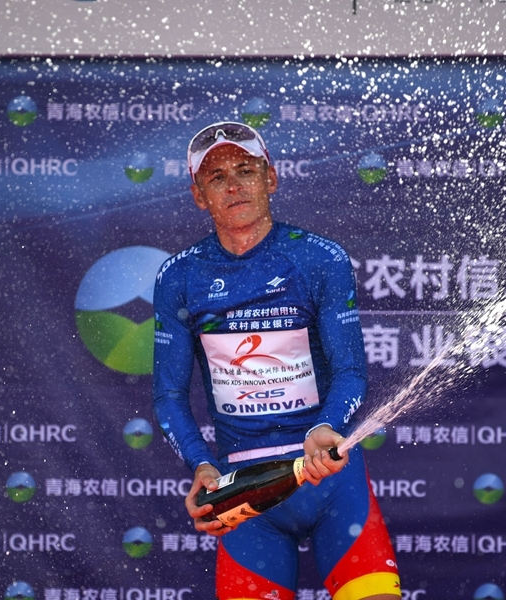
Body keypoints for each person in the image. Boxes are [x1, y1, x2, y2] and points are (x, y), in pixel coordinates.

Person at [152, 121, 401, 600]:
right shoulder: (180, 276)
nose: (233, 185)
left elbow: (350, 371)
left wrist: (326, 426)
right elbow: (168, 395)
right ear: (199, 195)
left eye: (245, 170)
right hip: (244, 493)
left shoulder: (319, 259)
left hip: (330, 479)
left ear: (271, 178)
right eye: (216, 177)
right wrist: (202, 465)